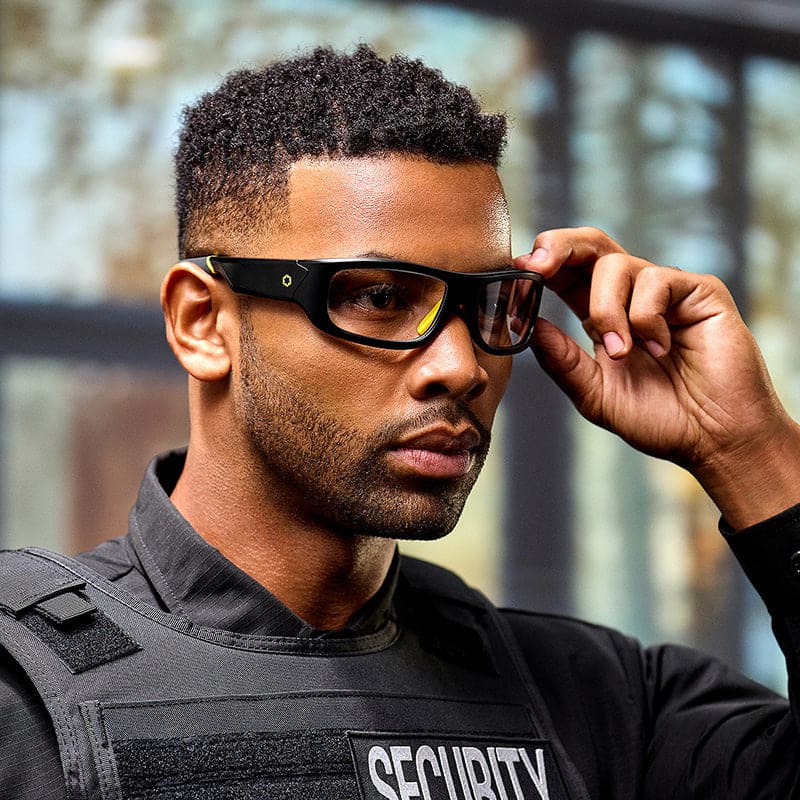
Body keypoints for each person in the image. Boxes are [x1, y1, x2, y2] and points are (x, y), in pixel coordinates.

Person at [1, 44, 799, 800]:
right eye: (379, 298)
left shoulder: (598, 702)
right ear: (203, 323)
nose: (460, 366)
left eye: (491, 303)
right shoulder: (20, 684)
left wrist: (751, 449)